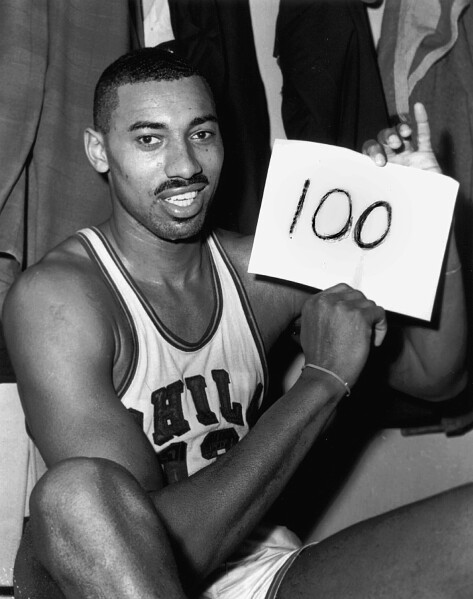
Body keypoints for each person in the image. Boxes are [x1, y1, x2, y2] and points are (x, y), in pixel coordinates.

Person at [3, 47, 471, 599]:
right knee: (74, 493)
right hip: (103, 580)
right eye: (150, 140)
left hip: (258, 567)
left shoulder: (263, 269)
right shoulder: (59, 300)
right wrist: (321, 383)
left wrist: (425, 222)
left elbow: (436, 376)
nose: (184, 167)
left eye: (200, 134)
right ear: (99, 151)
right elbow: (154, 550)